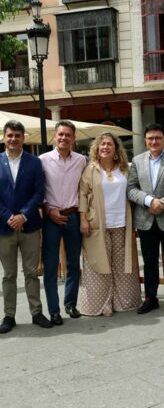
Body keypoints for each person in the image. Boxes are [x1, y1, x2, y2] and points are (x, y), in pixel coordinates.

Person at [79, 133, 142, 316]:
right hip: (97, 225)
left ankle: (123, 302)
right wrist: (83, 219)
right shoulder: (90, 169)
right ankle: (102, 304)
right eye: (102, 144)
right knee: (98, 266)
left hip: (122, 224)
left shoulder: (124, 169)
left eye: (110, 144)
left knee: (123, 267)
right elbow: (82, 195)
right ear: (97, 148)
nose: (106, 147)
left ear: (116, 149)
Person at [0, 121, 52, 333]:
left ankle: (37, 312)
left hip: (30, 226)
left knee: (31, 272)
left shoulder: (34, 162)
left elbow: (39, 193)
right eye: (10, 135)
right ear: (4, 137)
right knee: (9, 275)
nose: (13, 139)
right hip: (4, 228)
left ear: (23, 137)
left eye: (17, 135)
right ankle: (9, 315)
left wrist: (23, 215)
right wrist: (9, 216)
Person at [127, 123, 164, 315]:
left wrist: (163, 203)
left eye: (158, 138)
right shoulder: (137, 160)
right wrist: (149, 201)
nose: (154, 141)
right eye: (150, 138)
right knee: (149, 260)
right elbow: (131, 188)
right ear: (145, 141)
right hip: (145, 218)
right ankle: (151, 298)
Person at [40, 120, 87, 325]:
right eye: (60, 134)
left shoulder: (82, 161)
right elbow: (37, 190)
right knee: (50, 266)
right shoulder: (42, 160)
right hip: (51, 218)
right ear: (54, 136)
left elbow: (86, 190)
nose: (63, 138)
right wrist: (49, 210)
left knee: (73, 264)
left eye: (68, 135)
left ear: (73, 138)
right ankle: (54, 310)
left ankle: (70, 303)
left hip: (73, 216)